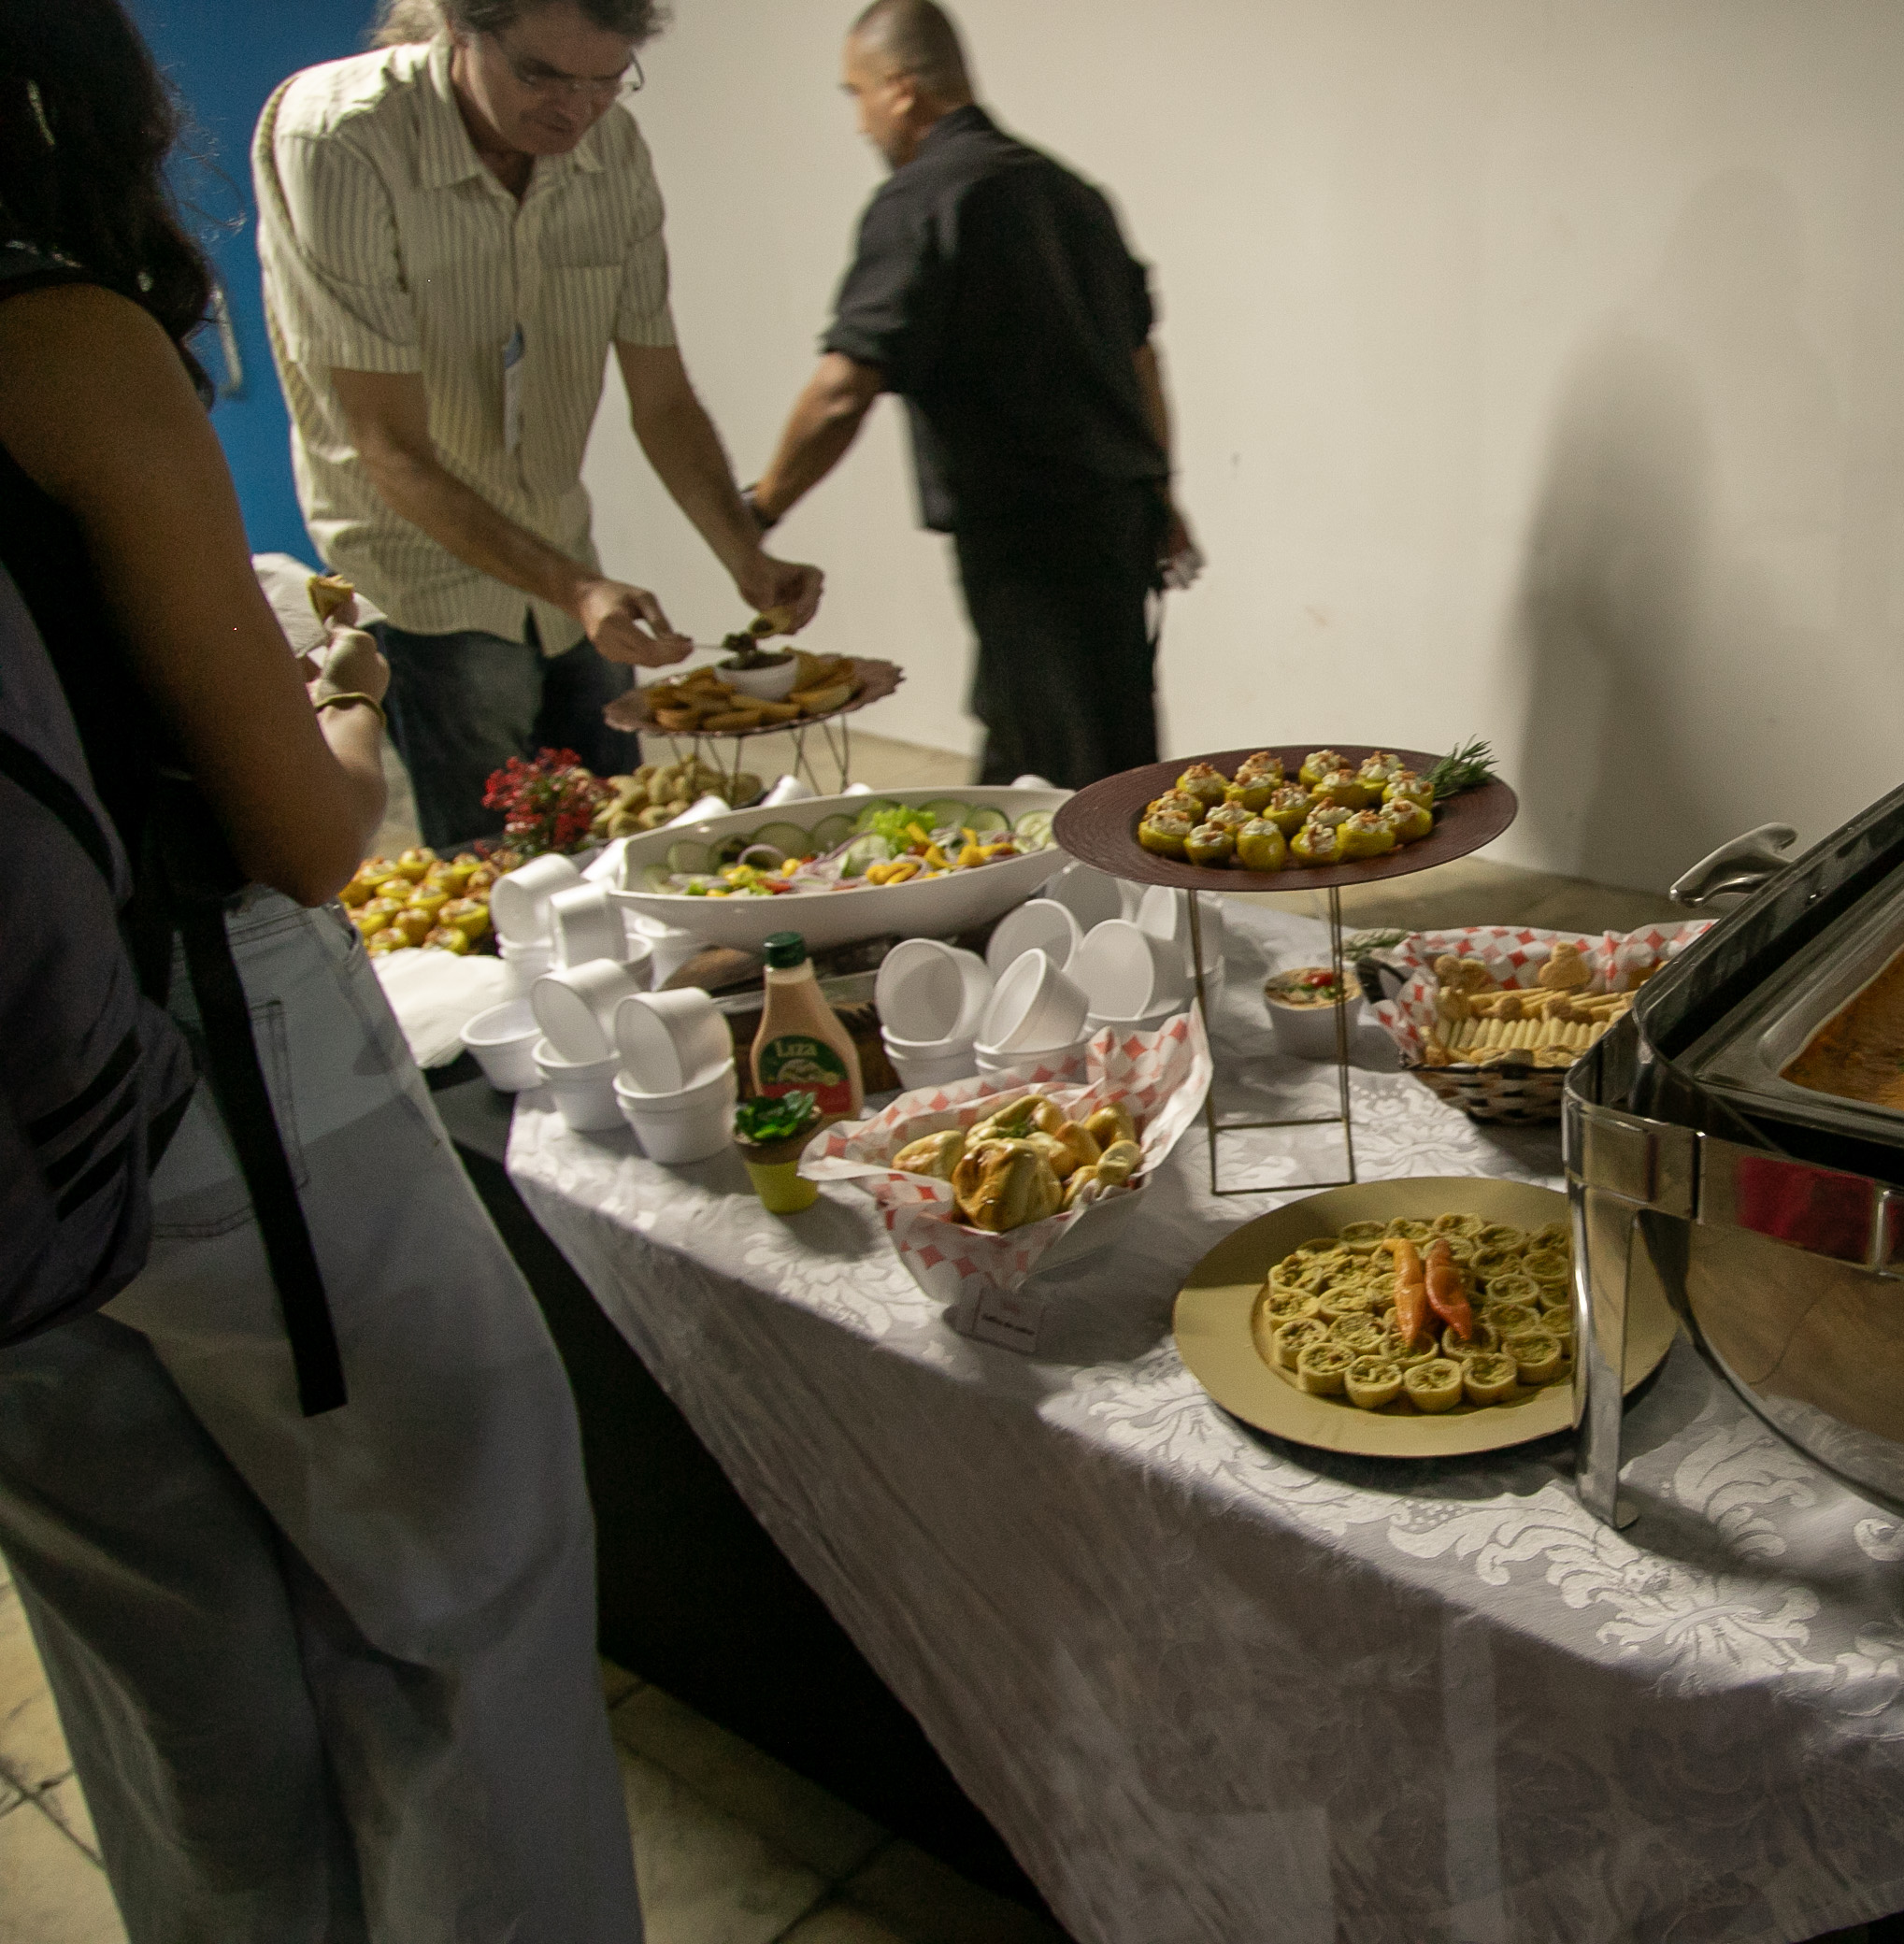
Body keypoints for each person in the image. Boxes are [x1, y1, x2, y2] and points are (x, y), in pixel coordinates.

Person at [0, 5, 643, 1937]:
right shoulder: (58, 336)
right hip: (202, 1081)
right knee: (472, 1586)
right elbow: (299, 836)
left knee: (166, 1670)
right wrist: (341, 695)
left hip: (19, 1183)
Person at [253, 0, 825, 850]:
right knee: (504, 867)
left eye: (606, 80)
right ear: (460, 27)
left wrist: (746, 555)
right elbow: (389, 447)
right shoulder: (340, 136)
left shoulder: (612, 147)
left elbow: (663, 400)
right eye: (541, 76)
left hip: (561, 547)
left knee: (629, 840)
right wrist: (581, 589)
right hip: (422, 570)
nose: (575, 110)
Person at [747, 0, 1198, 788]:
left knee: (1068, 775)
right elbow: (1141, 362)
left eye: (857, 95)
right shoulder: (1071, 193)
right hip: (1114, 523)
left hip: (1027, 542)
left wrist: (757, 511)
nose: (859, 123)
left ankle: (1090, 868)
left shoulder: (925, 197)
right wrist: (1160, 491)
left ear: (900, 88)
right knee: (1076, 744)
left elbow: (842, 389)